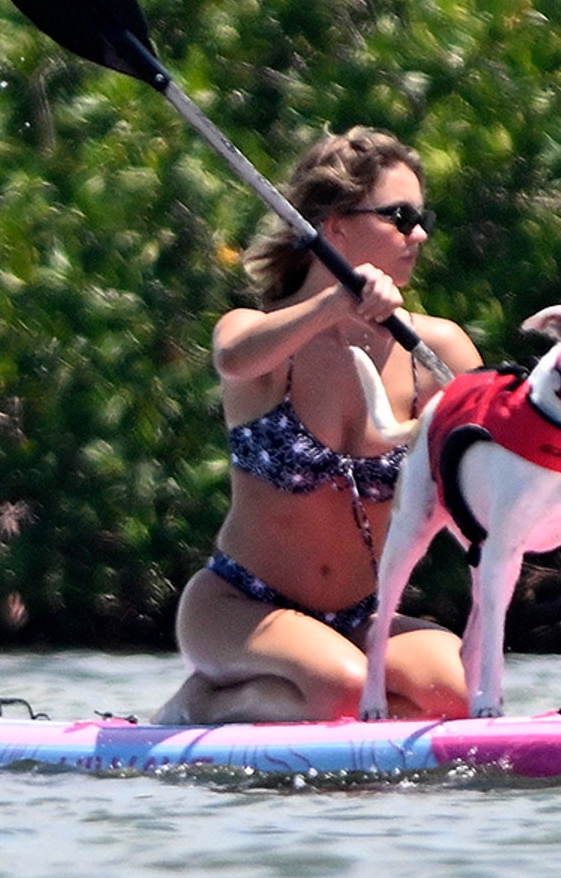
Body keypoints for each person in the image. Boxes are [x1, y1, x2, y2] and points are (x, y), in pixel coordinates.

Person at [153, 127, 481, 724]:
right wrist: (334, 305)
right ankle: (200, 703)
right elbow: (233, 359)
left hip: (361, 617)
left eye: (421, 216)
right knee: (345, 691)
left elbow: (487, 458)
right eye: (401, 216)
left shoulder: (437, 349)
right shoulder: (258, 332)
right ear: (335, 227)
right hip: (240, 606)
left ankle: (325, 705)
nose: (420, 234)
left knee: (467, 694)